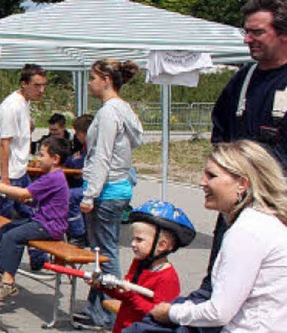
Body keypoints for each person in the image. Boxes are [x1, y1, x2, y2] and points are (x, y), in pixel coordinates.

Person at [142, 140, 287, 331]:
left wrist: (170, 312)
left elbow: (219, 312)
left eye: (211, 176)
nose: (202, 182)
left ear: (242, 184)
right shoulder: (263, 222)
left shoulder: (247, 232)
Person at [203, 0, 287, 300]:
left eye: (257, 32)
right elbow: (220, 130)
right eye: (246, 32)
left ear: (283, 34)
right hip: (237, 205)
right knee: (219, 284)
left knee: (266, 292)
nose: (247, 39)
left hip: (277, 211)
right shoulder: (243, 79)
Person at [75, 59, 144, 330]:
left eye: (93, 78)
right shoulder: (123, 110)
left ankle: (112, 314)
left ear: (106, 79)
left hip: (107, 191)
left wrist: (89, 195)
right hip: (117, 188)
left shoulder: (108, 113)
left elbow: (101, 156)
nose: (90, 83)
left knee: (106, 255)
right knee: (100, 254)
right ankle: (96, 309)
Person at [0, 64, 48, 273]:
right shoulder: (11, 106)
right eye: (37, 85)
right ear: (24, 84)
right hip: (6, 173)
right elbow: (4, 143)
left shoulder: (24, 103)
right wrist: (4, 179)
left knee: (35, 212)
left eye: (44, 86)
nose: (41, 90)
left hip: (20, 170)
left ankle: (38, 258)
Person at [0, 137, 71, 301]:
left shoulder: (53, 177)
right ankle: (0, 270)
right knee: (6, 229)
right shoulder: (51, 177)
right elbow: (32, 198)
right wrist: (28, 200)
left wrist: (1, 187)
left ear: (55, 159)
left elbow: (24, 193)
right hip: (42, 221)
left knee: (13, 236)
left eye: (42, 155)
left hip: (49, 226)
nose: (38, 159)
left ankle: (8, 283)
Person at [89, 200, 196, 333]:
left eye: (139, 240)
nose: (133, 244)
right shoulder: (139, 263)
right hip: (123, 327)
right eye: (133, 239)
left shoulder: (167, 278)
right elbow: (125, 294)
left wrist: (130, 295)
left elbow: (158, 314)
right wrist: (102, 286)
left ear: (162, 245)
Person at [64, 114, 94, 246]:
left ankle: (78, 234)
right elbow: (71, 161)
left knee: (70, 195)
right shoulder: (84, 148)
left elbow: (76, 162)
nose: (76, 137)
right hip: (85, 183)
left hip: (95, 187)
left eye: (78, 134)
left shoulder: (94, 148)